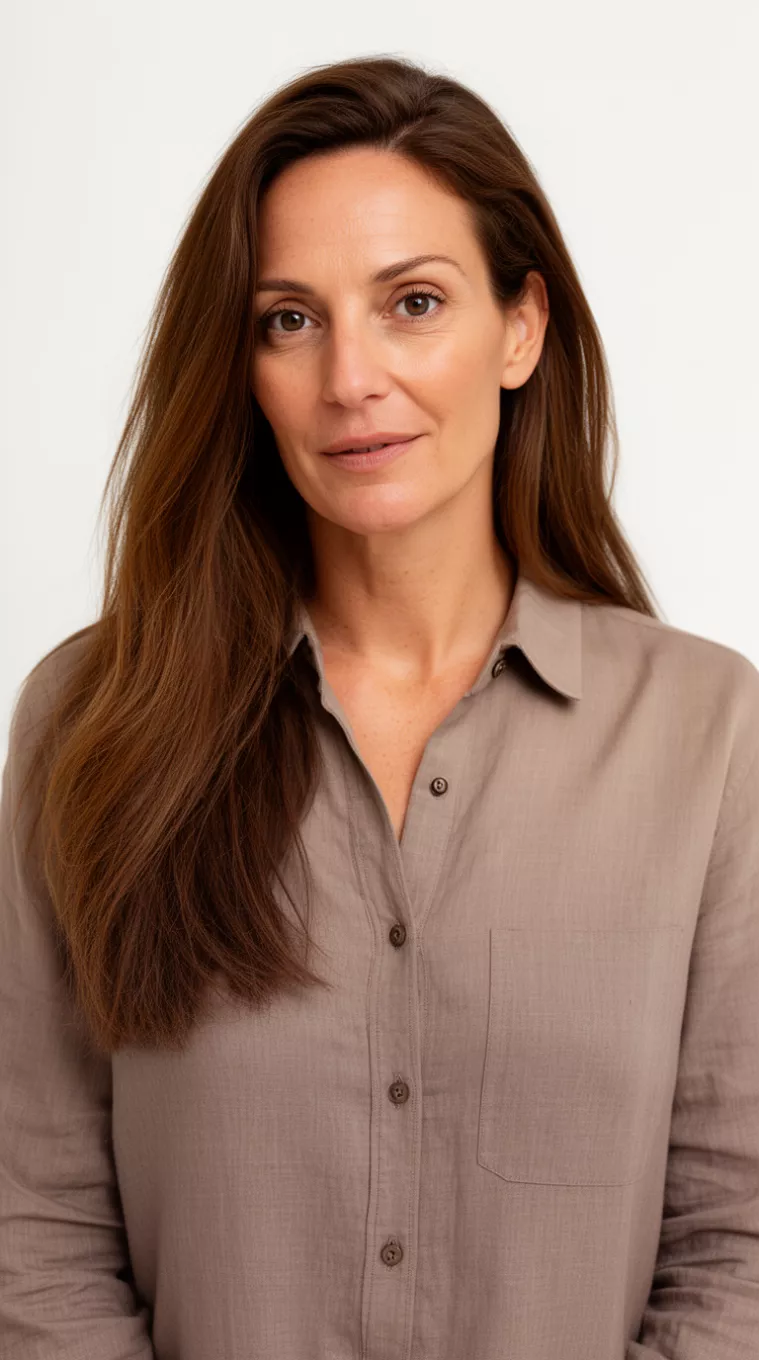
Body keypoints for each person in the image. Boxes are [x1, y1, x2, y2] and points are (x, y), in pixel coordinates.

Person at [1, 53, 758, 1360]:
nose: (349, 376)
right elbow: (38, 1224)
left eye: (411, 302)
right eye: (287, 318)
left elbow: (737, 1243)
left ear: (521, 329)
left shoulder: (706, 735)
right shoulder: (95, 716)